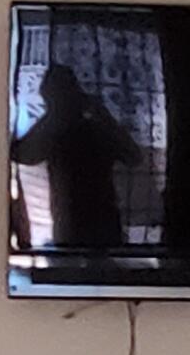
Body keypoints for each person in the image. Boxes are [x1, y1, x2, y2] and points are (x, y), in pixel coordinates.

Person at [11, 64, 139, 249]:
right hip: (75, 225)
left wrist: (101, 116)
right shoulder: (58, 131)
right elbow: (22, 155)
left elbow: (134, 157)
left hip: (92, 224)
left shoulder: (87, 128)